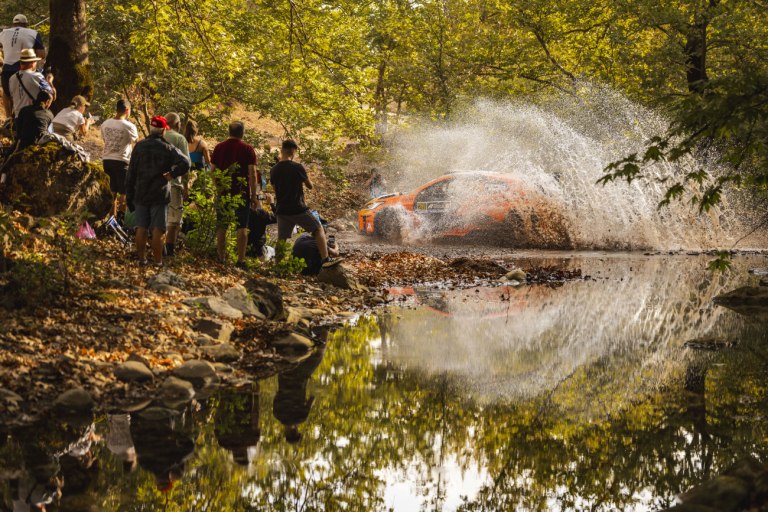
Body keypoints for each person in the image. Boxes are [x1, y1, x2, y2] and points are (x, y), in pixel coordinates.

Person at [125, 115, 190, 266]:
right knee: (158, 229)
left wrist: (129, 195)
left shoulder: (139, 146)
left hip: (141, 192)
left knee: (140, 227)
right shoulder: (167, 148)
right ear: (163, 131)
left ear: (151, 129)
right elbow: (185, 162)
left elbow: (131, 172)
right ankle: (158, 261)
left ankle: (142, 260)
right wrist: (172, 174)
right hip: (160, 193)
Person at [269, 139, 340, 267]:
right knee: (318, 229)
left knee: (282, 239)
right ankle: (325, 260)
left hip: (282, 210)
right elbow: (309, 186)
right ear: (292, 151)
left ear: (282, 150)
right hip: (298, 208)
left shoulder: (273, 170)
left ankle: (278, 266)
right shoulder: (297, 167)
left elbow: (275, 191)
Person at [210, 121, 259, 268]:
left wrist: (217, 187)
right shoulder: (248, 149)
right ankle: (241, 260)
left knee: (221, 225)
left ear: (229, 131)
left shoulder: (219, 147)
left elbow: (212, 170)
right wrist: (253, 195)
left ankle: (221, 257)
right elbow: (252, 173)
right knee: (242, 226)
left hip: (223, 192)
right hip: (241, 192)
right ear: (242, 133)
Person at [273, 346, 326, 444]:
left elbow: (311, 398)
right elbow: (276, 395)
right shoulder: (277, 415)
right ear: (285, 433)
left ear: (297, 431)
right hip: (283, 374)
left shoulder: (301, 417)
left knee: (319, 354)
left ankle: (323, 332)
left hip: (301, 375)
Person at [0, 14, 46, 119]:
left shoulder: (3, 33)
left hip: (7, 68)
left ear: (13, 23)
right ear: (26, 24)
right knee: (24, 93)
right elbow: (42, 54)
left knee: (7, 93)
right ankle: (22, 116)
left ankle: (8, 118)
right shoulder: (33, 33)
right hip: (24, 68)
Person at [101, 98, 139, 219]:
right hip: (122, 160)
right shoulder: (129, 126)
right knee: (123, 192)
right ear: (127, 110)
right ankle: (121, 219)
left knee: (112, 190)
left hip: (106, 159)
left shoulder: (105, 124)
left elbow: (105, 140)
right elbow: (136, 143)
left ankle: (112, 219)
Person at [162, 112, 191, 257]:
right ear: (178, 124)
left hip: (156, 183)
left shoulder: (158, 136)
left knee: (159, 216)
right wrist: (186, 187)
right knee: (173, 221)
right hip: (174, 183)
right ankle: (169, 251)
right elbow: (186, 166)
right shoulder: (180, 139)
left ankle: (158, 246)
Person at [8, 48, 53, 120]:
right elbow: (50, 95)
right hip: (33, 118)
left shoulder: (11, 79)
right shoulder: (37, 76)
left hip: (18, 119)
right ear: (32, 63)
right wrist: (50, 82)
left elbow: (11, 99)